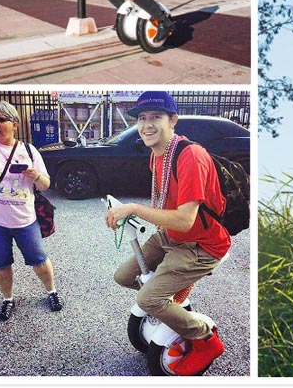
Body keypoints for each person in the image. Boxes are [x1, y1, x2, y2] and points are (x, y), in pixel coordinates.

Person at [105, 91, 229, 375]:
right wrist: (126, 213)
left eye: (156, 117)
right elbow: (164, 204)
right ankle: (172, 303)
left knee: (148, 299)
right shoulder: (158, 155)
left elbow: (185, 220)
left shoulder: (190, 156)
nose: (147, 125)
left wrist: (134, 208)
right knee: (123, 276)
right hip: (171, 236)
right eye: (142, 118)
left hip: (202, 245)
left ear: (173, 120)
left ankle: (205, 339)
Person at [0, 101, 63, 321]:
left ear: (14, 124)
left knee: (39, 260)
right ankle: (8, 299)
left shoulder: (28, 150)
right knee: (0, 265)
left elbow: (46, 184)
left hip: (25, 221)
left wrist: (35, 175)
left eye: (1, 119)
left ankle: (52, 291)